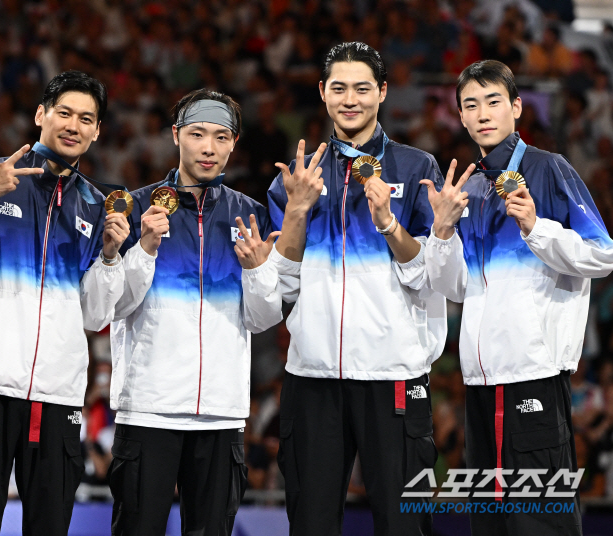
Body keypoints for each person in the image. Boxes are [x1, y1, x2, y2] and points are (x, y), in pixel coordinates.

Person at [0, 70, 131, 535]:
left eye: (86, 119)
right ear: (41, 115)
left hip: (56, 399)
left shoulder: (97, 207)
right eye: (64, 113)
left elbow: (94, 316)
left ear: (96, 132)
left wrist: (111, 258)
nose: (74, 125)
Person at [423, 59, 613, 535]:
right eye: (471, 105)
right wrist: (442, 232)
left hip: (531, 374)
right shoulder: (467, 188)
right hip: (480, 380)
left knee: (540, 522)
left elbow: (602, 254)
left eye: (493, 101)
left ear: (516, 107)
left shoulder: (550, 170)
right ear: (461, 118)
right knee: (491, 524)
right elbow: (457, 287)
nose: (483, 113)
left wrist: (535, 227)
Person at [267, 42, 445, 535]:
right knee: (311, 523)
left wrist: (389, 224)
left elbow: (432, 275)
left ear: (383, 92)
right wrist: (297, 211)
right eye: (339, 88)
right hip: (312, 376)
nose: (351, 99)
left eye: (363, 88)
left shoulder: (416, 169)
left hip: (393, 373)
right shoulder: (297, 178)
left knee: (403, 525)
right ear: (322, 93)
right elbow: (281, 283)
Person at [108, 89, 283, 535]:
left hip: (222, 413)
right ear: (176, 136)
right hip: (149, 409)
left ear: (234, 143)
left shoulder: (252, 216)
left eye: (220, 137)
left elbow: (263, 318)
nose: (209, 147)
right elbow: (115, 306)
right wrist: (144, 247)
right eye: (197, 134)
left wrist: (258, 268)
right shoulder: (134, 207)